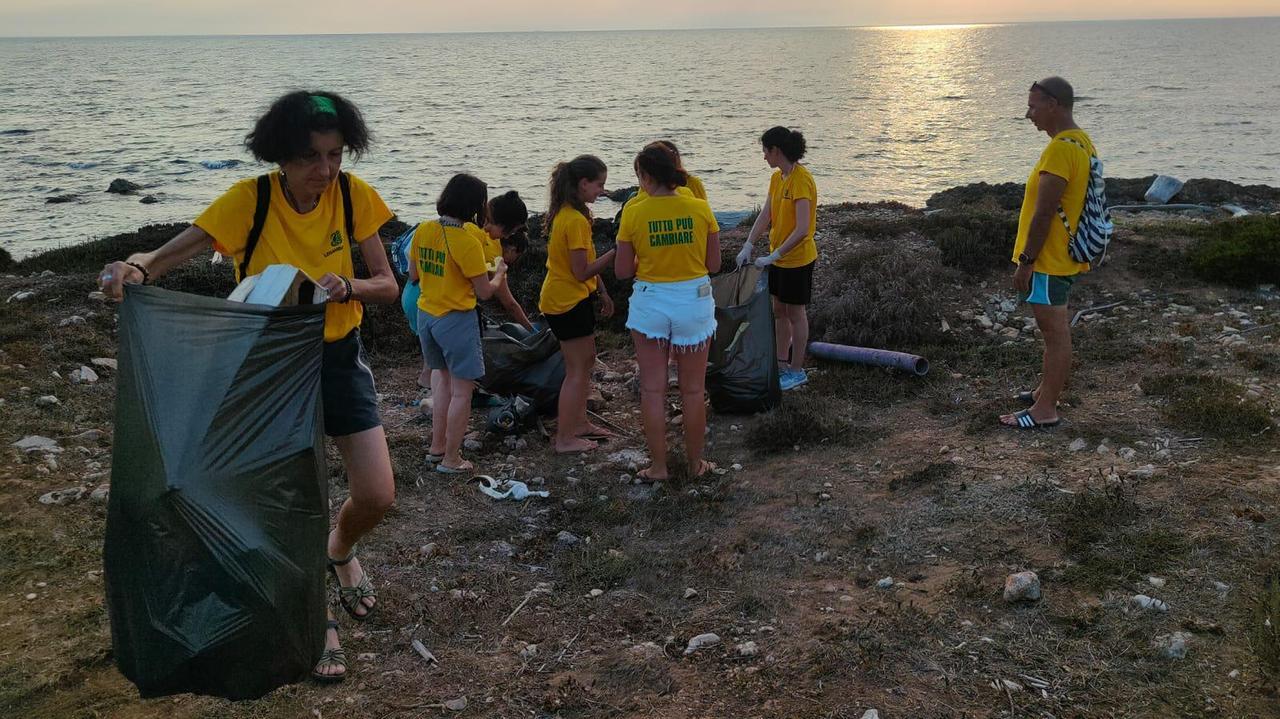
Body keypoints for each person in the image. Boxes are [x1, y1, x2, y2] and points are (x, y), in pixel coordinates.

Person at [98, 90, 397, 684]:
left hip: (336, 358)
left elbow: (388, 283)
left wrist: (348, 289)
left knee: (377, 493)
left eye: (336, 154)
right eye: (312, 156)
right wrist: (133, 269)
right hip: (267, 368)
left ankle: (339, 549)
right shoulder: (250, 201)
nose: (326, 170)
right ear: (281, 155)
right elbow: (167, 255)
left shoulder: (353, 196)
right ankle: (316, 621)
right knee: (289, 501)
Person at [615, 143, 721, 481]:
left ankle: (658, 467)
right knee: (692, 390)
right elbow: (714, 264)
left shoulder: (633, 211)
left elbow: (621, 271)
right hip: (694, 300)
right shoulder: (700, 207)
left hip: (651, 302)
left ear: (646, 176)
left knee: (652, 390)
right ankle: (694, 465)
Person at [1000, 76, 1094, 430]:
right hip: (1061, 256)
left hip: (1049, 260)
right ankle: (1044, 391)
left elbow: (1044, 212)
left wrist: (1026, 261)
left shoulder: (1060, 149)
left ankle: (1046, 410)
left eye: (1033, 106)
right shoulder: (1081, 143)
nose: (1028, 115)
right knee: (1052, 332)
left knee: (1054, 334)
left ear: (1053, 105)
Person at [410, 174, 508, 471]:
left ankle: (437, 447)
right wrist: (500, 273)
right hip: (455, 318)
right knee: (463, 392)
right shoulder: (466, 240)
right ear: (476, 206)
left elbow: (414, 275)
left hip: (426, 313)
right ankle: (452, 459)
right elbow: (484, 292)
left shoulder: (424, 229)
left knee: (441, 381)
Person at [538, 155, 616, 453]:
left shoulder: (573, 214)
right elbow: (581, 270)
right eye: (599, 185)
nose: (602, 190)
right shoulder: (572, 219)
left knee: (586, 360)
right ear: (583, 183)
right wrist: (616, 251)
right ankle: (565, 438)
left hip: (574, 297)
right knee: (576, 369)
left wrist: (603, 292)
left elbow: (586, 263)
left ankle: (580, 423)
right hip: (564, 302)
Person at [737, 126, 817, 391]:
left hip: (797, 260)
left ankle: (797, 369)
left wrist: (775, 255)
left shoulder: (800, 179)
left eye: (765, 151)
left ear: (776, 151)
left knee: (796, 312)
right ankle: (781, 362)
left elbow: (803, 227)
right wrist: (749, 243)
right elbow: (766, 214)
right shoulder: (777, 178)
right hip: (779, 260)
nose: (764, 157)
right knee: (778, 311)